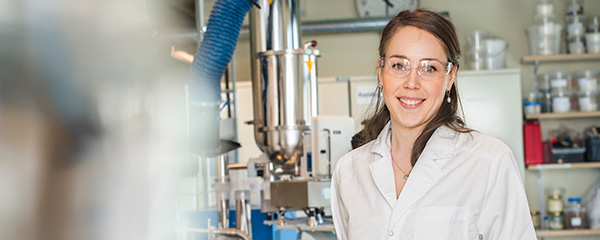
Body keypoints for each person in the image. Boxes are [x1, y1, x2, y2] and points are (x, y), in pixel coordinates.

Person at [330, 9, 536, 240]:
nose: (412, 82)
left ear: (450, 77)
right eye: (399, 65)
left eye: (429, 68)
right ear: (381, 72)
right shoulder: (349, 172)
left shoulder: (488, 161)